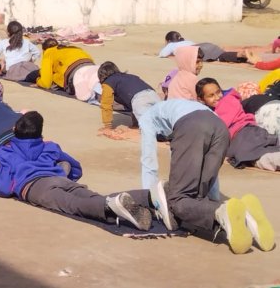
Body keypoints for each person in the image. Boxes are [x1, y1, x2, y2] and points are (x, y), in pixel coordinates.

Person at [139, 99, 275, 254]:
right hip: (220, 128)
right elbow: (206, 171)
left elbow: (148, 161)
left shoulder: (146, 118)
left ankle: (220, 212)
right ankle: (246, 214)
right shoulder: (179, 105)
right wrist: (213, 197)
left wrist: (148, 199)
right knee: (197, 199)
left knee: (178, 200)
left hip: (192, 127)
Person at [0, 112, 156, 231]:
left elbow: (3, 187)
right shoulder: (49, 146)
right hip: (59, 178)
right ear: (40, 133)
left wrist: (9, 188)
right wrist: (66, 174)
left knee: (74, 205)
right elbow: (75, 167)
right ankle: (148, 196)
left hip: (35, 187)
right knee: (93, 196)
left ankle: (110, 207)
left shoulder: (6, 151)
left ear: (15, 131)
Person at [196, 78, 280, 171]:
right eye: (211, 95)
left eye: (218, 92)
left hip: (245, 134)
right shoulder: (210, 110)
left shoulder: (228, 101)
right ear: (201, 99)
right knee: (260, 154)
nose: (217, 97)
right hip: (244, 137)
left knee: (258, 155)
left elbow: (219, 126)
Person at [97, 61, 161, 139]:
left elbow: (106, 104)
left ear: (101, 76)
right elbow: (132, 101)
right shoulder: (130, 77)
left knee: (151, 131)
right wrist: (135, 124)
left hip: (140, 99)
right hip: (154, 95)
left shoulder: (108, 82)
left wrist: (107, 127)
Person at [159, 31, 246, 62]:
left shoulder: (171, 44)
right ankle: (240, 55)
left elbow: (162, 54)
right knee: (221, 54)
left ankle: (240, 55)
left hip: (199, 50)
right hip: (204, 45)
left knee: (219, 57)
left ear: (169, 40)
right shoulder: (186, 41)